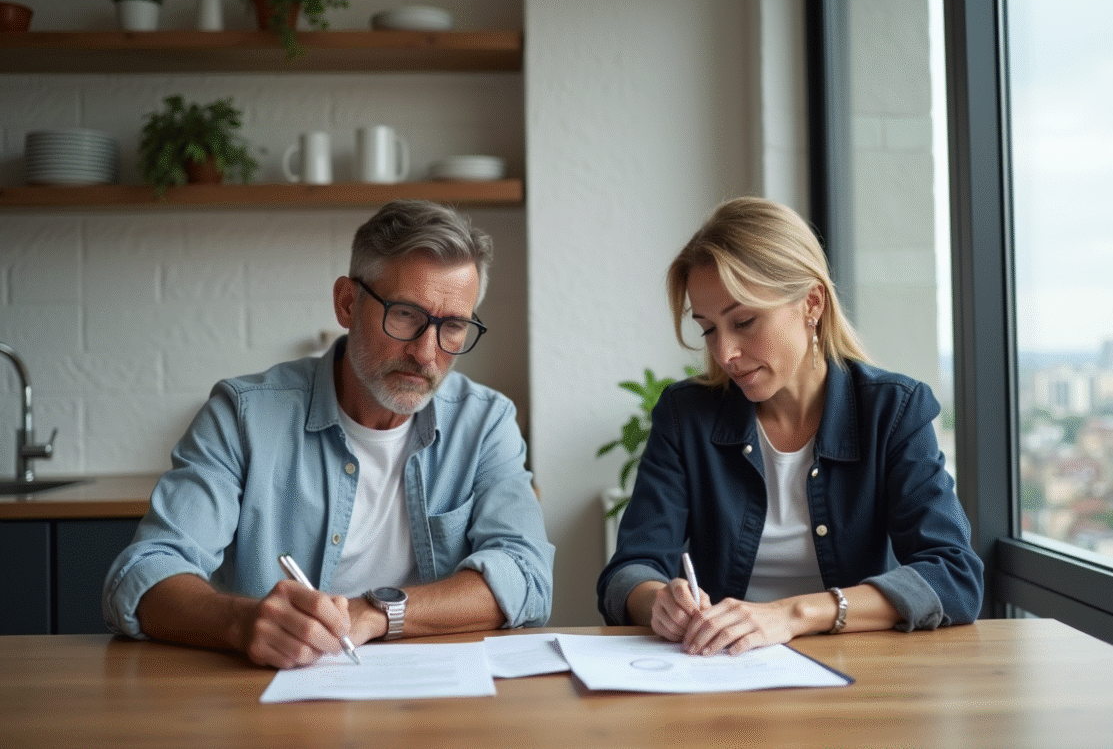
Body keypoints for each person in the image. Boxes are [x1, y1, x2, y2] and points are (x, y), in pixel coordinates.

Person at [104, 199, 554, 668]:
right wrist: (240, 623)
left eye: (453, 326)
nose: (426, 353)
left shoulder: (485, 423)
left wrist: (376, 613)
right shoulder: (242, 417)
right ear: (346, 302)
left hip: (433, 701)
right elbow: (144, 574)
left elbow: (527, 574)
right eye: (404, 315)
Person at [597, 197, 983, 657]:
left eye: (743, 321)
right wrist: (657, 601)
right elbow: (629, 570)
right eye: (708, 329)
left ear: (811, 303)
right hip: (722, 672)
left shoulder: (893, 411)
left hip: (861, 676)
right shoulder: (686, 416)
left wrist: (793, 615)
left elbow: (954, 575)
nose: (724, 354)